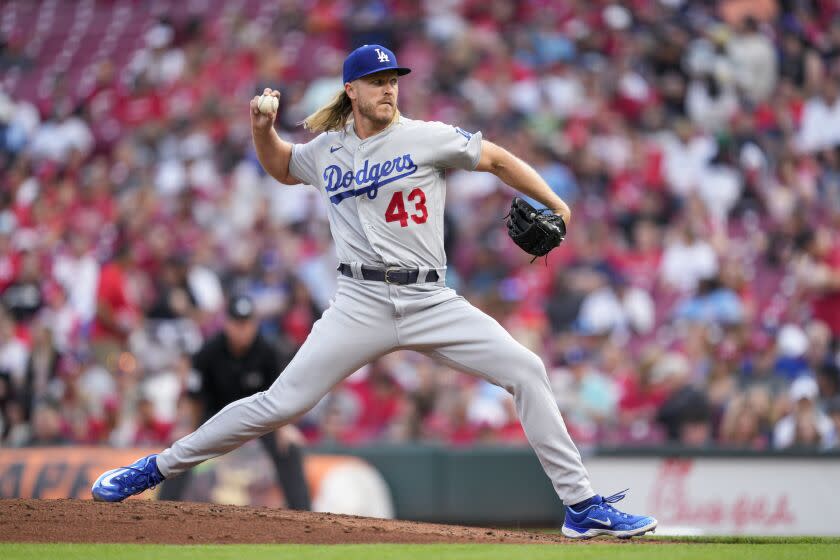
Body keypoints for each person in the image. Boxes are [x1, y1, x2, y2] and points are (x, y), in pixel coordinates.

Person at [92, 44, 656, 539]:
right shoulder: (326, 149)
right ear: (352, 90)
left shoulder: (426, 137)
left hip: (429, 300)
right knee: (279, 405)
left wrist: (555, 202)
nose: (389, 89)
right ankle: (154, 469)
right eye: (379, 82)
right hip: (357, 304)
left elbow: (498, 160)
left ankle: (582, 507)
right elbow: (282, 166)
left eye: (394, 81)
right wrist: (263, 130)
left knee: (527, 369)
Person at [156, 294, 311, 509]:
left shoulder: (267, 351)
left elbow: (282, 397)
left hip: (259, 416)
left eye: (246, 323)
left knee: (289, 447)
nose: (242, 329)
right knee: (181, 445)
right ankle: (162, 509)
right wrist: (187, 428)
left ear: (254, 324)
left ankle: (303, 514)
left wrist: (285, 429)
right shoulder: (208, 351)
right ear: (227, 323)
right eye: (237, 323)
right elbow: (194, 397)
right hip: (214, 414)